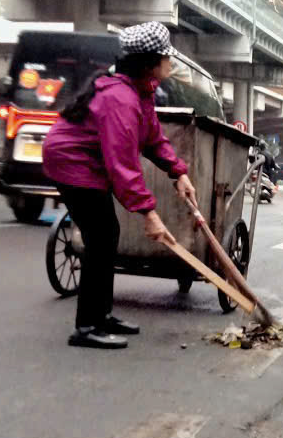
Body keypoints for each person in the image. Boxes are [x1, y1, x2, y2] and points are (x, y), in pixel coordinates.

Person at [43, 22, 196, 349]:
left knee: (106, 234)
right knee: (101, 236)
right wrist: (149, 213)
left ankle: (102, 315)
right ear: (149, 63)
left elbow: (153, 138)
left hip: (88, 162)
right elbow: (123, 165)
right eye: (166, 58)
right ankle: (86, 327)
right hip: (72, 162)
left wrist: (177, 172)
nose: (171, 64)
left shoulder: (141, 91)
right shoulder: (120, 99)